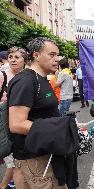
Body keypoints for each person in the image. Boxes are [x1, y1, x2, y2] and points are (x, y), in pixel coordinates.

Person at [8, 37, 68, 188]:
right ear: (36, 55)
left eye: (58, 55)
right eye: (52, 55)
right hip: (34, 158)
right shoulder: (26, 81)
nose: (57, 59)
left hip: (46, 153)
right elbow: (16, 124)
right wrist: (57, 130)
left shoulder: (42, 78)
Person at [0, 47, 27, 189]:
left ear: (24, 60)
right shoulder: (2, 75)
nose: (13, 60)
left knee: (17, 161)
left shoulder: (28, 75)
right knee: (13, 161)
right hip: (6, 123)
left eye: (17, 57)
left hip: (22, 122)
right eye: (10, 57)